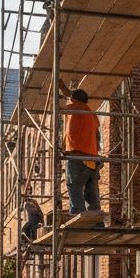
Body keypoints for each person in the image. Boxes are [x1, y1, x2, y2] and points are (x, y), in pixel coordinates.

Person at [59, 82, 102, 215]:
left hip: (77, 155)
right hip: (93, 158)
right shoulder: (93, 115)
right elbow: (97, 137)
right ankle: (95, 216)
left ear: (73, 99)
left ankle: (78, 213)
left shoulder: (75, 107)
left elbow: (57, 109)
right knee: (91, 190)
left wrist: (60, 94)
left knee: (74, 185)